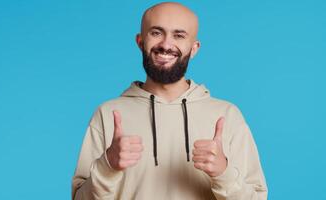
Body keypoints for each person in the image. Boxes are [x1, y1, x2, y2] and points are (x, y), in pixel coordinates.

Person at [72, 2, 268, 200]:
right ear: (140, 41)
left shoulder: (227, 116)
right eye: (156, 33)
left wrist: (223, 173)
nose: (166, 44)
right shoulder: (108, 114)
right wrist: (108, 165)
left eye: (179, 35)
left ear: (194, 48)